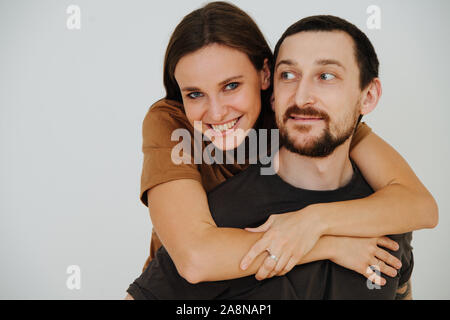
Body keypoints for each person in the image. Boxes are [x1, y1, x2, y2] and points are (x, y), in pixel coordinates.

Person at [125, 2, 437, 299]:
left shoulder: (300, 117)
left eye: (231, 85)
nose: (216, 113)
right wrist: (326, 244)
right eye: (195, 94)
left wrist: (313, 222)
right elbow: (196, 260)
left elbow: (418, 205)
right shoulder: (172, 124)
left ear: (266, 78)